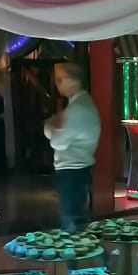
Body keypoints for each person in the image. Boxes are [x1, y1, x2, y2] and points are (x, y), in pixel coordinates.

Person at [43, 62, 101, 230]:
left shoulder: (77, 109)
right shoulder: (81, 104)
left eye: (60, 80)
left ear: (75, 80)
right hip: (79, 169)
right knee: (76, 219)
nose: (57, 84)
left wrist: (49, 126)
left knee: (71, 223)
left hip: (72, 172)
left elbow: (57, 142)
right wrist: (54, 126)